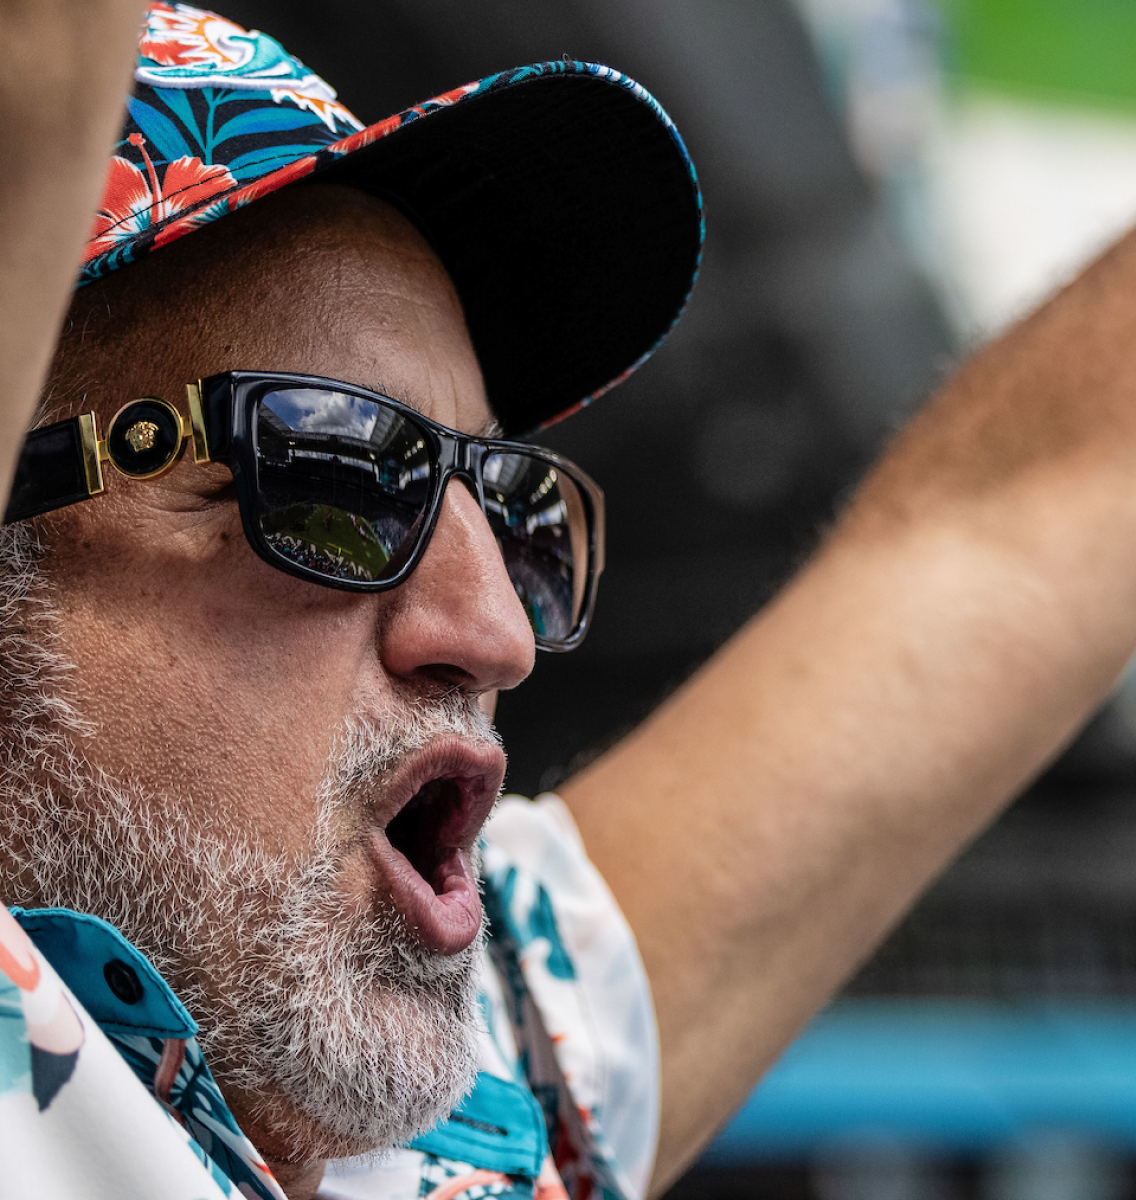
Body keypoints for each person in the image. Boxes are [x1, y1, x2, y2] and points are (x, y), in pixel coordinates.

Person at [4, 3, 1136, 1199]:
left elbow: (1013, 523)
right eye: (333, 475)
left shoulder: (494, 1094)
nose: (493, 635)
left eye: (505, 505)